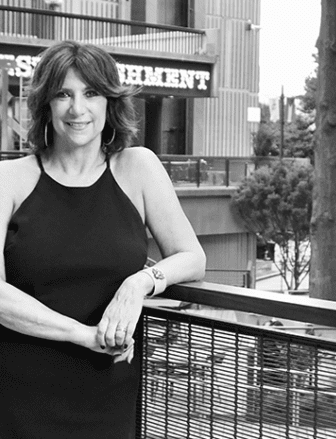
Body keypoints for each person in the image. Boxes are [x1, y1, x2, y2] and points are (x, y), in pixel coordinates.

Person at [0, 41, 206, 439]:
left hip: (109, 396)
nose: (77, 109)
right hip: (16, 397)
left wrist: (140, 283)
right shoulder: (8, 180)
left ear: (110, 102)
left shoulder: (139, 167)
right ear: (45, 105)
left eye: (91, 93)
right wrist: (84, 335)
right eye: (63, 94)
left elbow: (192, 257)